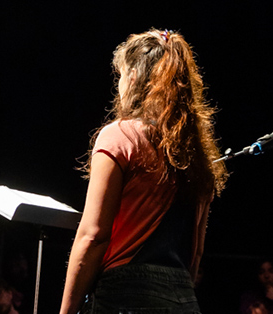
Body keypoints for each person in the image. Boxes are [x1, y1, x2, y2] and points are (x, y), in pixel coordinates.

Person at [58, 29, 229, 314]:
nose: (119, 84)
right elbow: (196, 252)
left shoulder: (120, 136)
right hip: (183, 298)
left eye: (121, 75)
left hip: (125, 295)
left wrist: (67, 310)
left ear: (134, 77)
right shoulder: (198, 156)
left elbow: (93, 237)